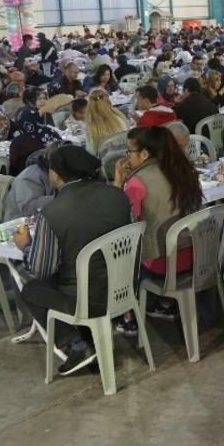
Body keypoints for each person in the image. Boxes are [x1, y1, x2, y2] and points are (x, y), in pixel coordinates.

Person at [12, 145, 133, 374]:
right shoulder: (117, 195)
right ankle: (86, 340)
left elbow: (41, 269)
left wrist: (26, 245)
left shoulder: (53, 211)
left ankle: (74, 344)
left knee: (32, 289)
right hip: (125, 284)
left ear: (55, 174)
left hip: (88, 298)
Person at [111, 126, 204, 332]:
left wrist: (118, 182)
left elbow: (117, 218)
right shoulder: (183, 168)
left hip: (166, 264)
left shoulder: (137, 182)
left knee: (118, 256)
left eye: (129, 151)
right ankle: (166, 303)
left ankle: (127, 317)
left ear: (144, 154)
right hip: (199, 254)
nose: (127, 156)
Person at [3, 141, 62, 220]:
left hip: (48, 218)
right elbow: (28, 209)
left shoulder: (63, 171)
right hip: (20, 224)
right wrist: (62, 197)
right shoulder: (29, 177)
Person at [83, 88, 129, 155]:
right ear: (109, 102)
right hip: (124, 155)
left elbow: (91, 152)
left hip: (104, 161)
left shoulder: (93, 126)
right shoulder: (119, 115)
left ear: (90, 105)